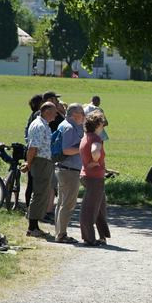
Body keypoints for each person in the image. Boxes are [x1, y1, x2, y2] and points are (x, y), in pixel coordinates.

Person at [23, 101, 58, 238]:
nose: (56, 114)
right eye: (54, 111)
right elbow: (33, 148)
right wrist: (29, 163)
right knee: (39, 194)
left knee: (42, 194)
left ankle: (35, 226)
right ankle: (32, 227)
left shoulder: (44, 125)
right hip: (41, 162)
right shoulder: (39, 126)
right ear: (47, 111)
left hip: (44, 161)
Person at [52, 103, 86, 243]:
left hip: (63, 169)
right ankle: (61, 235)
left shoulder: (64, 125)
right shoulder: (69, 127)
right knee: (68, 204)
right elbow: (67, 150)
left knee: (61, 202)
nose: (84, 116)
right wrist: (83, 147)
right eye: (82, 113)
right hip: (69, 170)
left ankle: (59, 232)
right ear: (74, 114)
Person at [79, 111, 111, 246]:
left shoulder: (86, 136)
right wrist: (95, 160)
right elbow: (94, 151)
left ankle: (102, 236)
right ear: (98, 124)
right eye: (102, 123)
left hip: (88, 176)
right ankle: (89, 238)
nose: (103, 126)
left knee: (100, 207)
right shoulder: (96, 139)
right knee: (90, 209)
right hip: (94, 178)